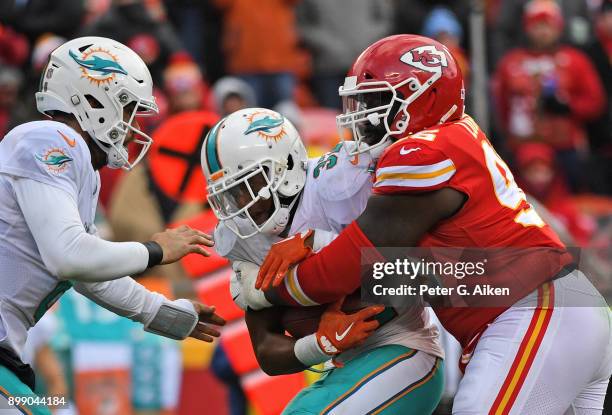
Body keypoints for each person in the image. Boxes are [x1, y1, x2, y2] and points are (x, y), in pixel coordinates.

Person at [238, 34, 612, 414]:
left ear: (424, 96)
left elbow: (354, 259)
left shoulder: (419, 152)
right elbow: (413, 269)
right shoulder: (453, 139)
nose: (364, 114)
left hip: (536, 311)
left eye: (377, 100)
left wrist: (268, 291)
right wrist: (316, 240)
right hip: (555, 310)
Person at [0, 36, 225, 415]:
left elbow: (88, 270)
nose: (131, 125)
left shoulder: (72, 156)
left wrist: (160, 312)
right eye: (127, 109)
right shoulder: (51, 138)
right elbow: (68, 256)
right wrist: (156, 250)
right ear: (90, 100)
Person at [202, 108, 444, 414]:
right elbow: (266, 350)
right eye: (231, 194)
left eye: (248, 185)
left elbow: (424, 272)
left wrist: (318, 242)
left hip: (403, 345)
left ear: (284, 166)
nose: (242, 204)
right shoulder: (245, 237)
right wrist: (320, 344)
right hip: (346, 365)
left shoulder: (343, 180)